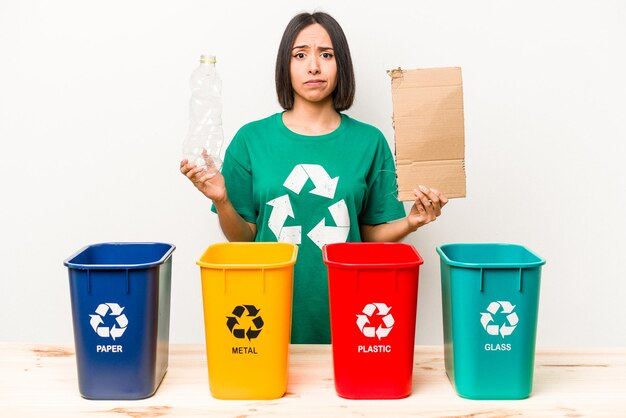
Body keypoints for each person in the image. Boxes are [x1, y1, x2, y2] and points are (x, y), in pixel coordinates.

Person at [180, 11, 447, 344]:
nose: (314, 66)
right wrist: (222, 201)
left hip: (353, 312)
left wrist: (412, 222)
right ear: (285, 66)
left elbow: (368, 237)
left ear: (341, 65)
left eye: (326, 54)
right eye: (300, 54)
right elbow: (244, 240)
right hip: (266, 312)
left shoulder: (369, 142)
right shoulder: (251, 139)